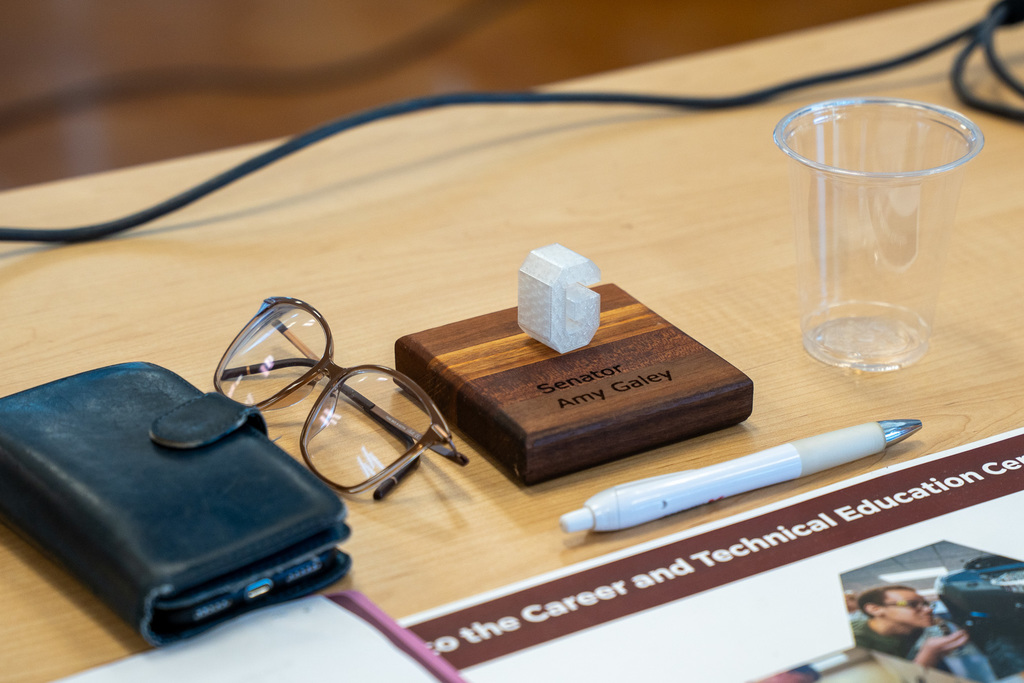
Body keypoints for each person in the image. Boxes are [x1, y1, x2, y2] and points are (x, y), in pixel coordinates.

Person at [853, 585, 970, 669]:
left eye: (925, 604)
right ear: (875, 609)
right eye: (912, 604)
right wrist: (929, 655)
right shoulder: (854, 642)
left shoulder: (913, 628)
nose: (928, 609)